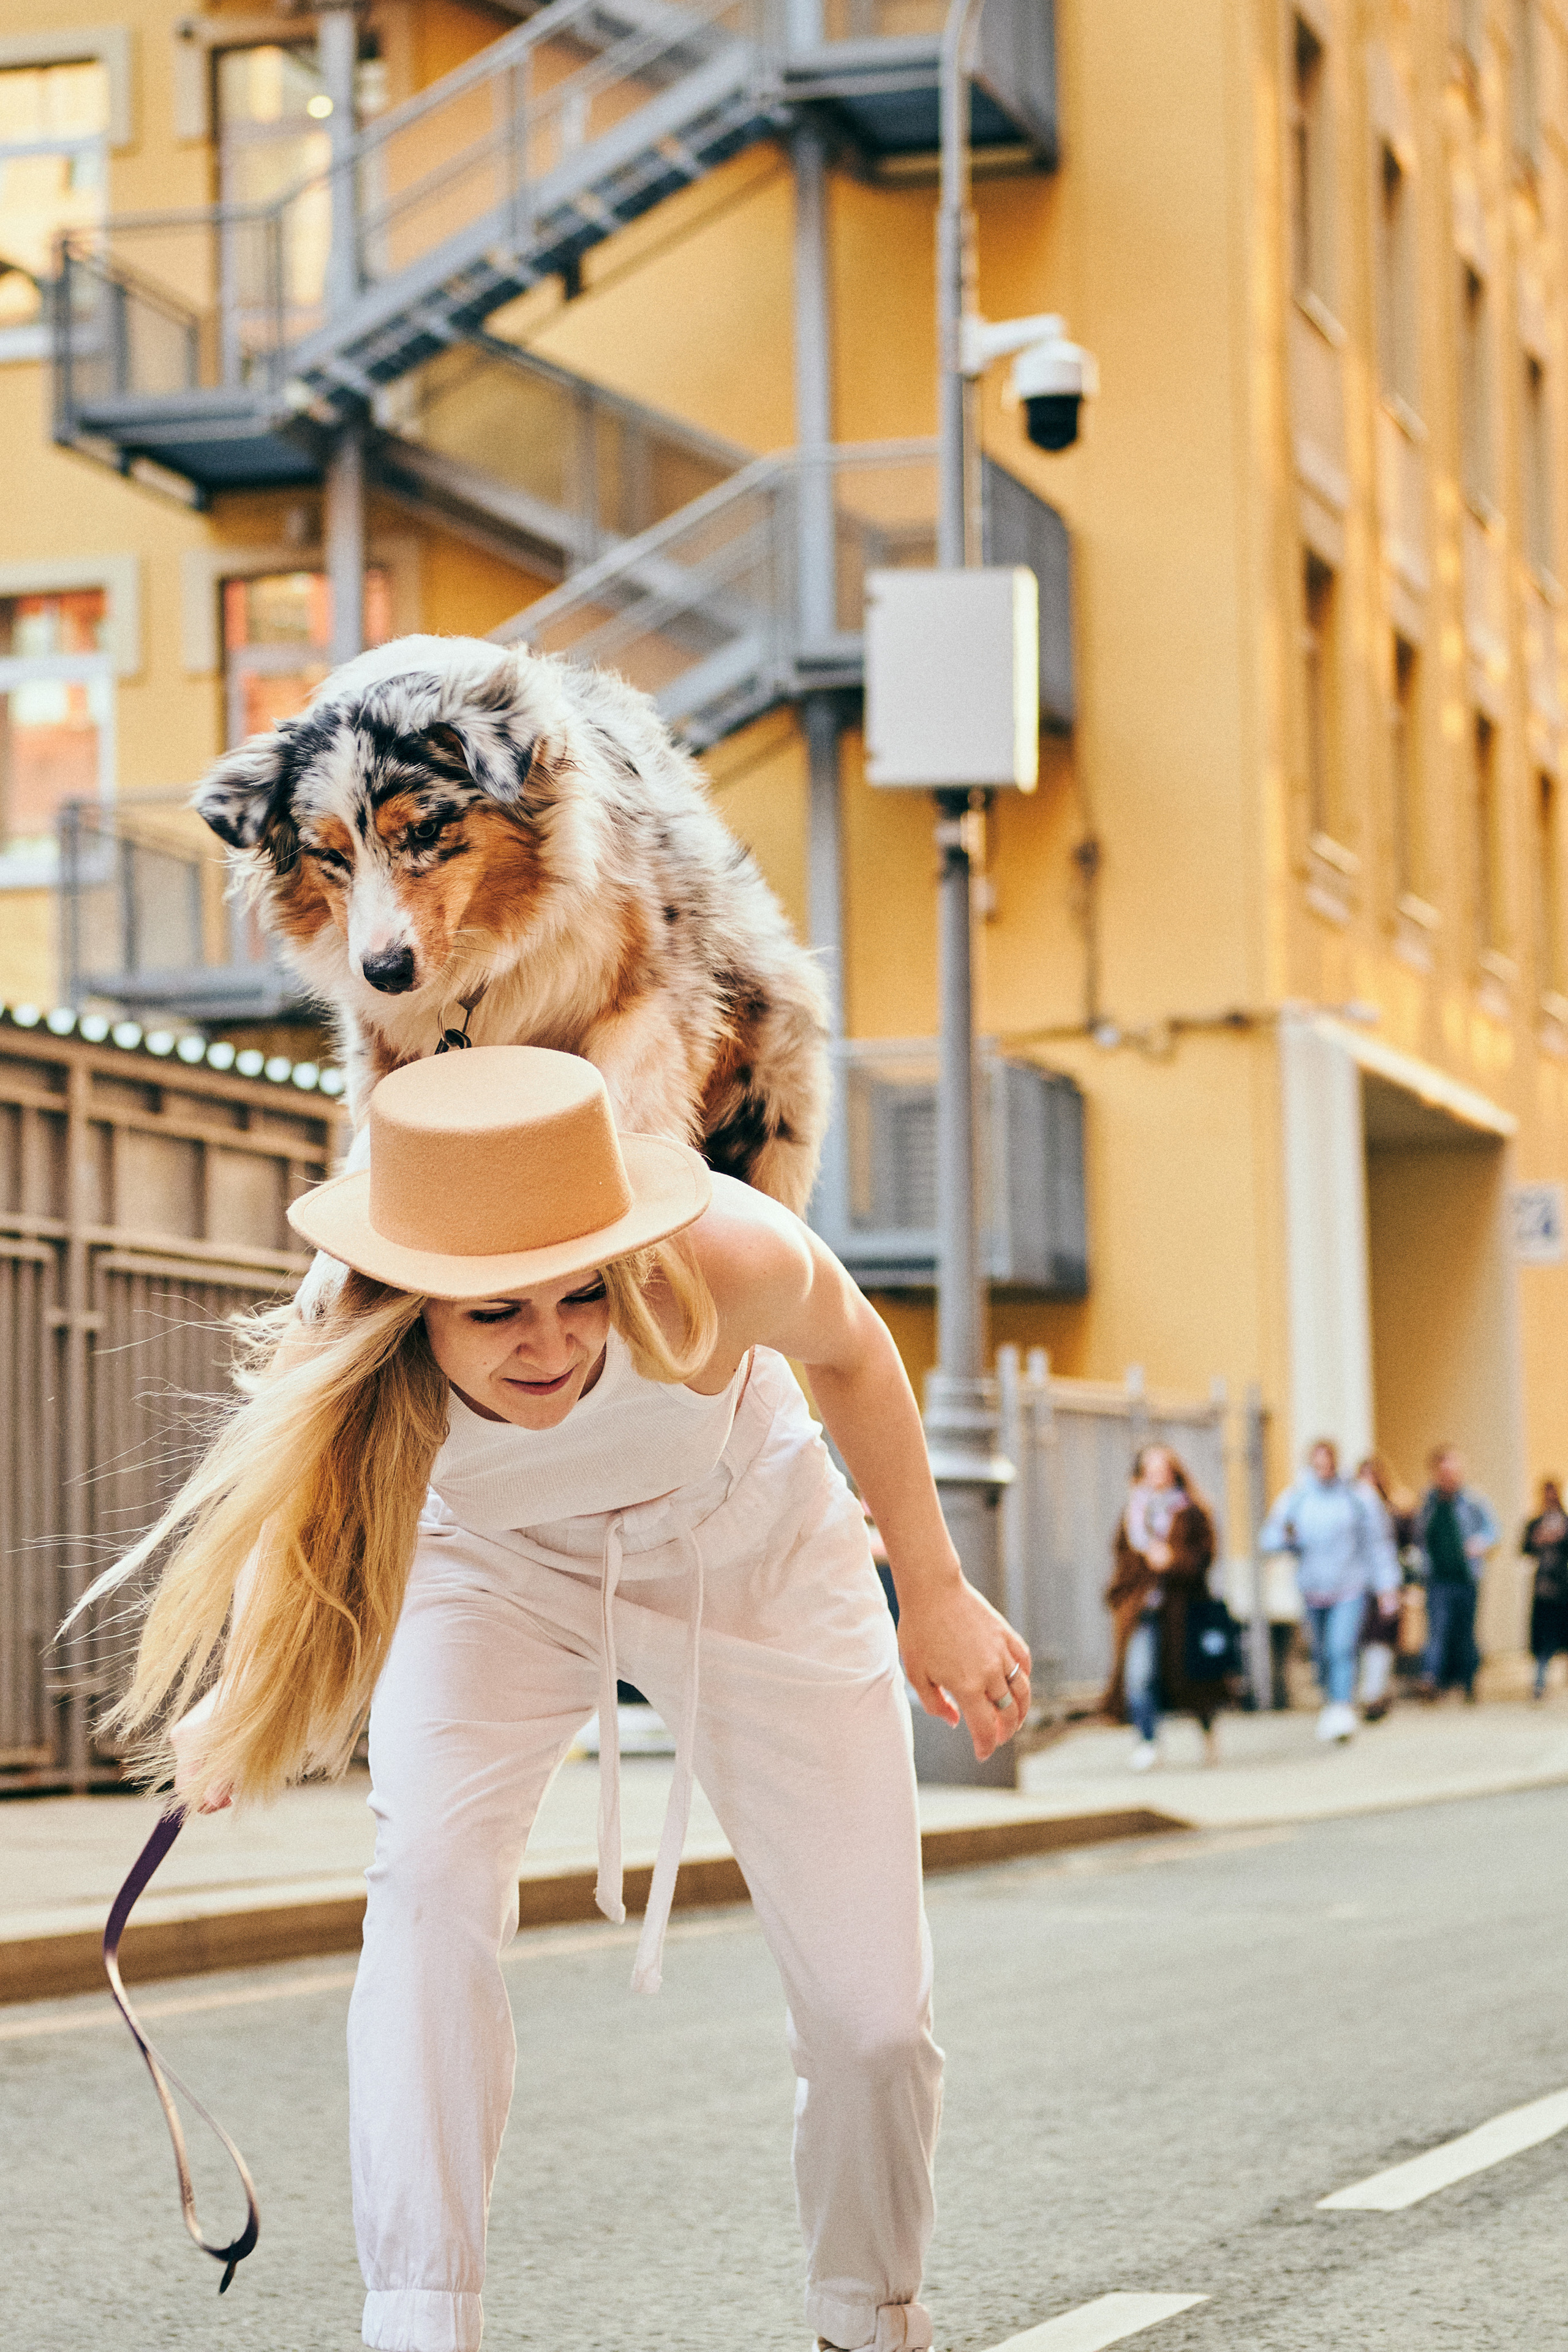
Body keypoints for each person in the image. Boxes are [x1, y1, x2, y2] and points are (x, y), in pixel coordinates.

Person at [82, 1047, 1031, 2352]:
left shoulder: (726, 1254)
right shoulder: (345, 1327)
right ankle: (422, 2325)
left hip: (746, 1538)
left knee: (872, 2019)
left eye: (582, 1296)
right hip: (493, 1571)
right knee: (424, 1889)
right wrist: (240, 1696)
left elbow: (857, 1358)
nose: (551, 1346)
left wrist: (932, 1593)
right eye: (496, 1314)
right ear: (410, 1304)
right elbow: (299, 1503)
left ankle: (868, 2317)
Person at [1258, 1439, 1399, 1743]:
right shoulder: (1296, 1499)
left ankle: (1341, 1707)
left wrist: (1387, 1587)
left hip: (1350, 1587)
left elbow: (1378, 1545)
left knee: (1341, 1647)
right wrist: (1286, 1538)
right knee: (1321, 1653)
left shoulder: (1357, 1497)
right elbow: (1269, 1538)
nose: (1323, 1469)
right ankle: (1330, 1701)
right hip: (1312, 1590)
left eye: (1328, 1462)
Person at [1101, 1444, 1225, 1770]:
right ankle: (1147, 1741)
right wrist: (1124, 1591)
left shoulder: (1192, 1510)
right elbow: (1121, 1557)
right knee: (1138, 1675)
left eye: (1162, 1467)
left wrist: (1175, 1561)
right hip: (1142, 1610)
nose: (1156, 1475)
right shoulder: (1133, 1514)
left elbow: (1206, 1556)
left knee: (1193, 1679)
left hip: (1183, 1610)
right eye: (1149, 1468)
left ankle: (1207, 1731)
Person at [1415, 1445, 1499, 1702]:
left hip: (1466, 1578)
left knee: (1465, 1632)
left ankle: (1468, 1682)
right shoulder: (1428, 1503)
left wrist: (1480, 1543)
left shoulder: (1473, 1501)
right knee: (1437, 1629)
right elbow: (1419, 1536)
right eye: (1443, 1472)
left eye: (1452, 1471)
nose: (1448, 1476)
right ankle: (1431, 1678)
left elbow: (1493, 1530)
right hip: (1437, 1578)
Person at [1354, 1457, 1415, 1722]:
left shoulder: (1394, 1513)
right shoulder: (1353, 1511)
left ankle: (1376, 1692)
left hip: (1387, 1585)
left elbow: (1406, 1550)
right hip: (1358, 1585)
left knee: (1383, 1639)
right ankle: (1369, 1692)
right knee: (1365, 1640)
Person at [1521, 1478, 1568, 1700]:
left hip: (1564, 1587)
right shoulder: (1535, 1522)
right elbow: (1524, 1548)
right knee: (1543, 1639)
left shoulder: (1566, 1522)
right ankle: (1539, 1682)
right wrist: (1537, 1539)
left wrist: (1561, 1537)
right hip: (1543, 1588)